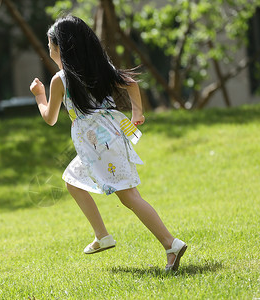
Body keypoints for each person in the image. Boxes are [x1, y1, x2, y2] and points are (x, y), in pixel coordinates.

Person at [29, 15, 187, 271]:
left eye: (51, 46)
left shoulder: (60, 80)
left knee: (129, 196)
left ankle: (171, 243)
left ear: (61, 48)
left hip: (95, 144)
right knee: (73, 180)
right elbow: (131, 84)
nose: (49, 51)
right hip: (108, 138)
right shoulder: (101, 69)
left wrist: (39, 96)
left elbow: (50, 117)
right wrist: (137, 113)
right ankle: (102, 235)